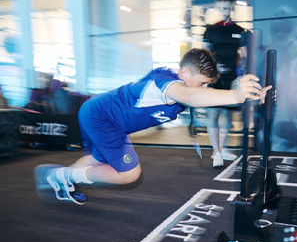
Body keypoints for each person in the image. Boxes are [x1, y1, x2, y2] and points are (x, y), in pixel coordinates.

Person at [34, 49, 270, 205]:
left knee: (98, 162)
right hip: (102, 118)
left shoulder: (181, 86)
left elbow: (202, 97)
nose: (204, 89)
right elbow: (191, 95)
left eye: (207, 85)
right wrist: (236, 95)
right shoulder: (167, 83)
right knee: (129, 174)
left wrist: (251, 97)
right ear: (185, 72)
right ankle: (62, 175)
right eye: (202, 83)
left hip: (100, 115)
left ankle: (64, 181)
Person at [202, 0, 247, 168]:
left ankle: (223, 148)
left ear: (232, 7)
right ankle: (217, 153)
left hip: (231, 78)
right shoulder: (211, 30)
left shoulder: (239, 31)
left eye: (226, 7)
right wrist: (211, 71)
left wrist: (244, 75)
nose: (223, 10)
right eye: (220, 8)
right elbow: (204, 55)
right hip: (214, 77)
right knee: (213, 114)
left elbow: (244, 56)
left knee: (228, 115)